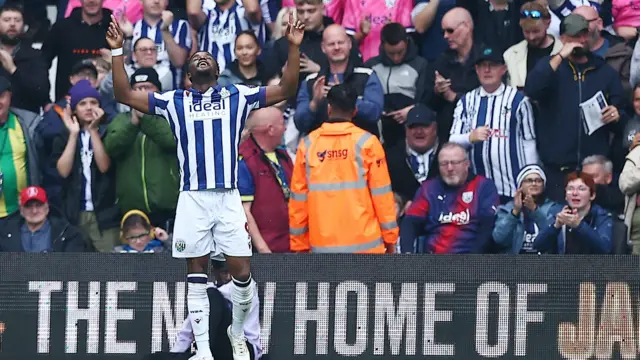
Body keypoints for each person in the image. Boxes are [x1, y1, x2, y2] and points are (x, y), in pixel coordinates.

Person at [107, 12, 304, 360]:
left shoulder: (237, 96)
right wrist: (117, 51)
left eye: (207, 57)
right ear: (187, 74)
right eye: (196, 57)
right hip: (193, 197)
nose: (201, 57)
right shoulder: (174, 101)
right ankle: (204, 350)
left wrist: (293, 46)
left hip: (227, 196)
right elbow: (123, 93)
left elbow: (288, 88)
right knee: (195, 270)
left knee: (242, 272)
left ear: (215, 70)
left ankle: (238, 333)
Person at [289, 84, 398, 254]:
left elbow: (298, 201)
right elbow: (382, 197)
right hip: (367, 248)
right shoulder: (368, 143)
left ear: (329, 108)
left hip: (322, 249)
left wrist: (299, 245)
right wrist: (390, 239)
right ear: (354, 111)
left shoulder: (308, 145)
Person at [141, 259, 262, 360]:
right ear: (216, 272)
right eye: (224, 273)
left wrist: (201, 294)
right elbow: (187, 330)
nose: (229, 277)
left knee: (211, 296)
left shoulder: (248, 286)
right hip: (215, 351)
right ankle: (204, 353)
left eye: (233, 272)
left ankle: (205, 353)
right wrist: (175, 355)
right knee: (154, 358)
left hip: (243, 350)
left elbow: (229, 291)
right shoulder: (209, 292)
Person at [0, 186, 86, 252]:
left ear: (47, 207)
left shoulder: (67, 233)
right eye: (28, 206)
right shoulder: (3, 233)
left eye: (39, 205)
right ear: (21, 210)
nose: (34, 211)